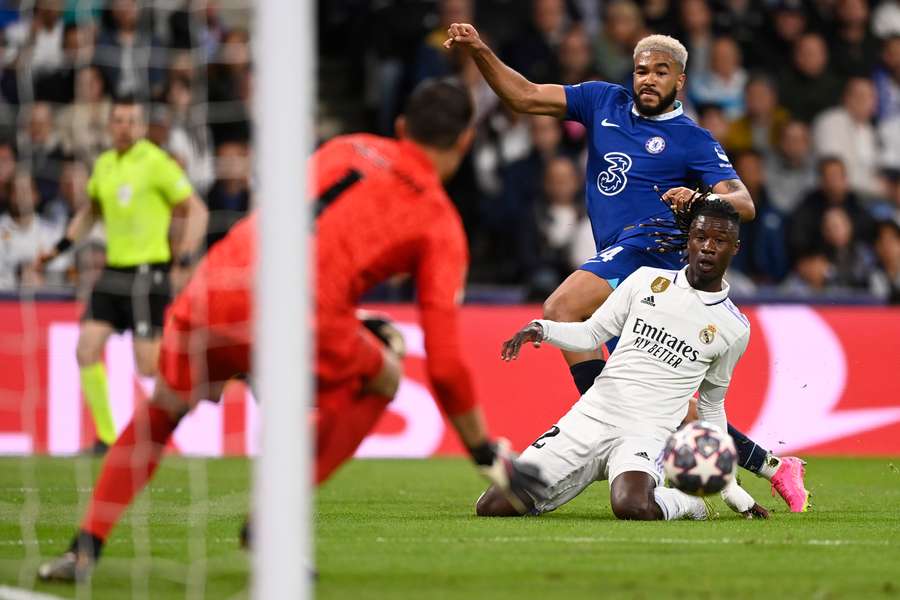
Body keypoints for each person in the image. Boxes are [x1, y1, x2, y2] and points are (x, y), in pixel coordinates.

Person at [37, 79, 546, 583]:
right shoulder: (439, 223)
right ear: (464, 141)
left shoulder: (345, 146)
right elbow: (445, 365)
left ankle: (84, 547)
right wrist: (483, 449)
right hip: (293, 313)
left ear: (400, 126)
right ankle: (270, 524)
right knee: (385, 375)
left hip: (217, 282)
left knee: (164, 409)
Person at [445, 23, 810, 511]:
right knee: (666, 405)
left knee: (561, 307)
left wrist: (699, 197)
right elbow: (526, 96)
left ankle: (595, 412)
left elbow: (742, 203)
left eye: (661, 71)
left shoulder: (691, 140)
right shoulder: (602, 102)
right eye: (642, 70)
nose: (649, 79)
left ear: (680, 80)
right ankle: (773, 466)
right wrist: (478, 49)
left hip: (651, 257)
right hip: (624, 265)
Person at [477, 198, 769, 520]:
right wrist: (542, 329)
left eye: (720, 241)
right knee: (493, 506)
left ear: (735, 248)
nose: (708, 248)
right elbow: (591, 334)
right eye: (701, 238)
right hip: (592, 415)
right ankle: (551, 485)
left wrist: (727, 486)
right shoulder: (645, 280)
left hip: (646, 433)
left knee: (632, 506)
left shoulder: (734, 327)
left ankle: (694, 504)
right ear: (689, 240)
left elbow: (712, 405)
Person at [36, 96, 208, 454]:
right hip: (114, 272)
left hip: (149, 276)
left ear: (141, 126)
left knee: (147, 368)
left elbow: (197, 210)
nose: (124, 126)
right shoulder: (105, 165)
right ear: (110, 124)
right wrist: (57, 249)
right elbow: (90, 213)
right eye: (119, 120)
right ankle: (107, 438)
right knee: (85, 349)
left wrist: (187, 257)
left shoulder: (156, 162)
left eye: (131, 120)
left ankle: (206, 382)